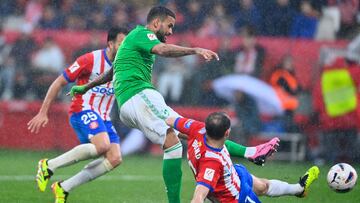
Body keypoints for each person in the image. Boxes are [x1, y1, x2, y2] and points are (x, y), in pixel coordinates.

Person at [69, 6, 279, 203]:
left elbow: (113, 71)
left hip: (131, 103)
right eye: (169, 26)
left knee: (194, 135)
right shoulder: (142, 34)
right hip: (139, 95)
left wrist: (86, 87)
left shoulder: (131, 45)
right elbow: (162, 49)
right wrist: (195, 49)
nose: (170, 31)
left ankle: (250, 153)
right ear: (155, 24)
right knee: (177, 140)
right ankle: (250, 153)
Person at [27, 27, 128, 203]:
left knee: (115, 158)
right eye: (121, 43)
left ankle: (63, 187)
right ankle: (48, 165)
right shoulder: (90, 59)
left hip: (104, 118)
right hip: (83, 109)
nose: (125, 47)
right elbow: (59, 82)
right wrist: (43, 112)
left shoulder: (125, 66)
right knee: (103, 146)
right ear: (110, 44)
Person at [165, 112, 320, 203]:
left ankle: (298, 189)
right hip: (236, 197)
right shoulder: (211, 163)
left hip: (232, 174)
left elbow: (169, 120)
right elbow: (199, 196)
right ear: (227, 133)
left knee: (262, 186)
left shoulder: (197, 129)